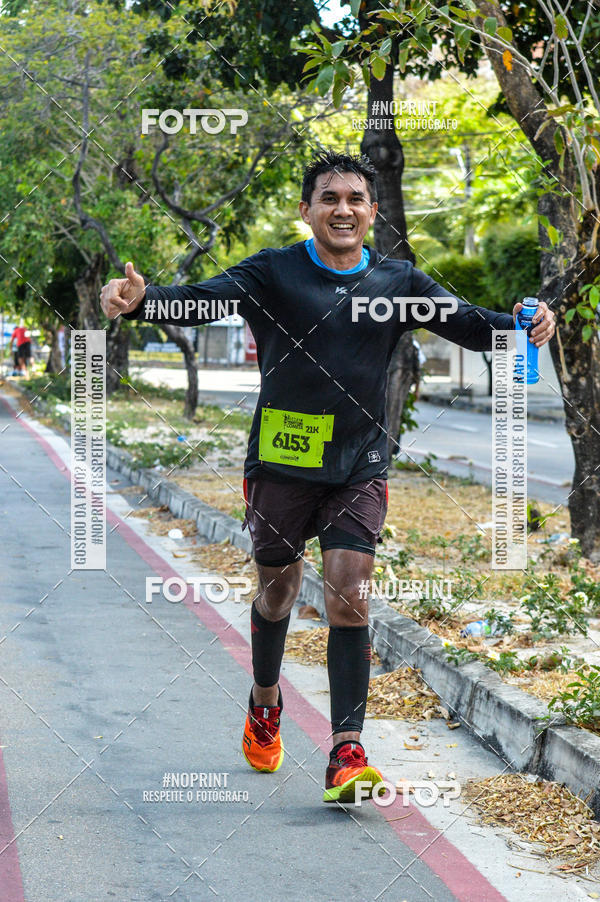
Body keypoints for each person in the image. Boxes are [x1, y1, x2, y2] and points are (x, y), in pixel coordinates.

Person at [100, 150, 555, 804]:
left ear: (372, 212)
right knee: (279, 594)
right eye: (330, 198)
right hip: (281, 466)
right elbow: (202, 303)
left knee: (349, 593)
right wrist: (144, 303)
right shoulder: (272, 271)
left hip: (359, 465)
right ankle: (264, 700)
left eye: (356, 199)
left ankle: (347, 750)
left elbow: (475, 327)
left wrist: (525, 323)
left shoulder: (400, 283)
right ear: (307, 210)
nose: (344, 209)